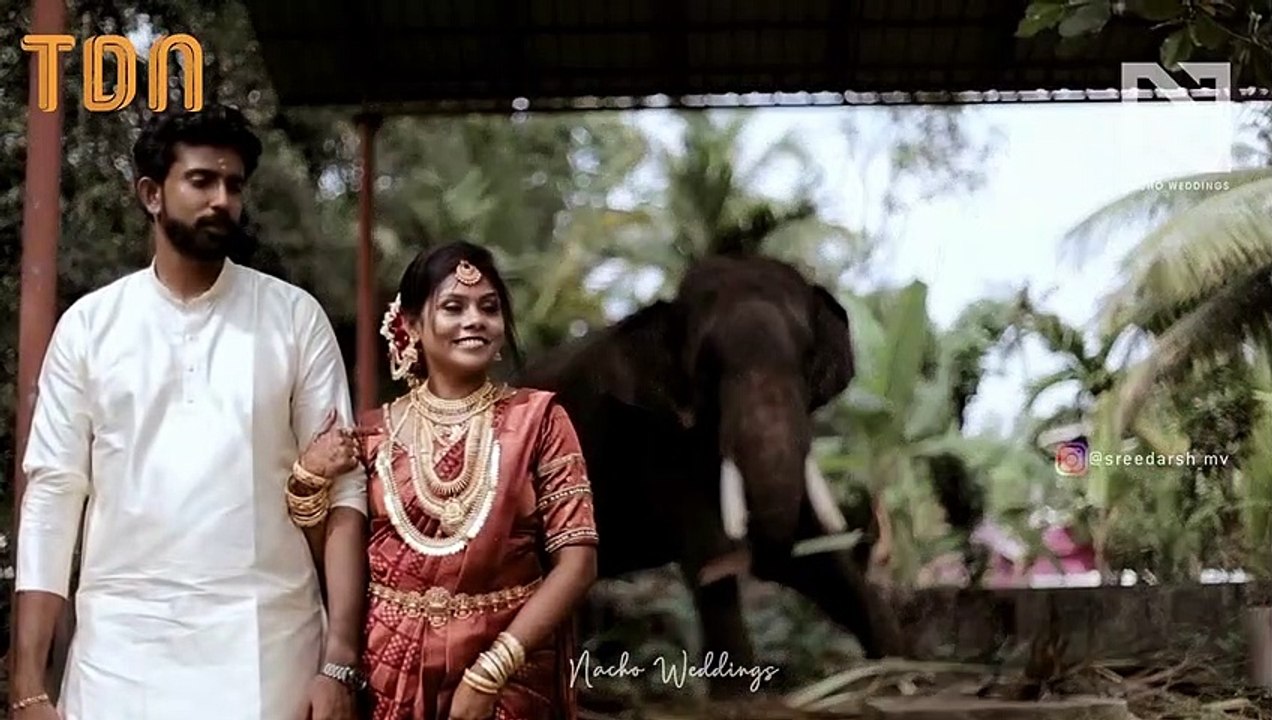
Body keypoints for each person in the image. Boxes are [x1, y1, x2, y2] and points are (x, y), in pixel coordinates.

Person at [10, 105, 368, 720]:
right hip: (122, 651)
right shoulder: (91, 328)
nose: (222, 199)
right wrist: (25, 677)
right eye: (201, 181)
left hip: (266, 647)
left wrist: (338, 660)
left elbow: (345, 490)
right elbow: (53, 497)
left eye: (233, 185)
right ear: (152, 194)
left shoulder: (292, 318)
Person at [357, 241, 599, 720]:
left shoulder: (540, 421)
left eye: (489, 308)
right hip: (390, 668)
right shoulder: (372, 434)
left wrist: (492, 669)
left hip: (510, 669)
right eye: (453, 307)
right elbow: (338, 558)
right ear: (411, 326)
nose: (475, 320)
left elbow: (578, 560)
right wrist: (307, 485)